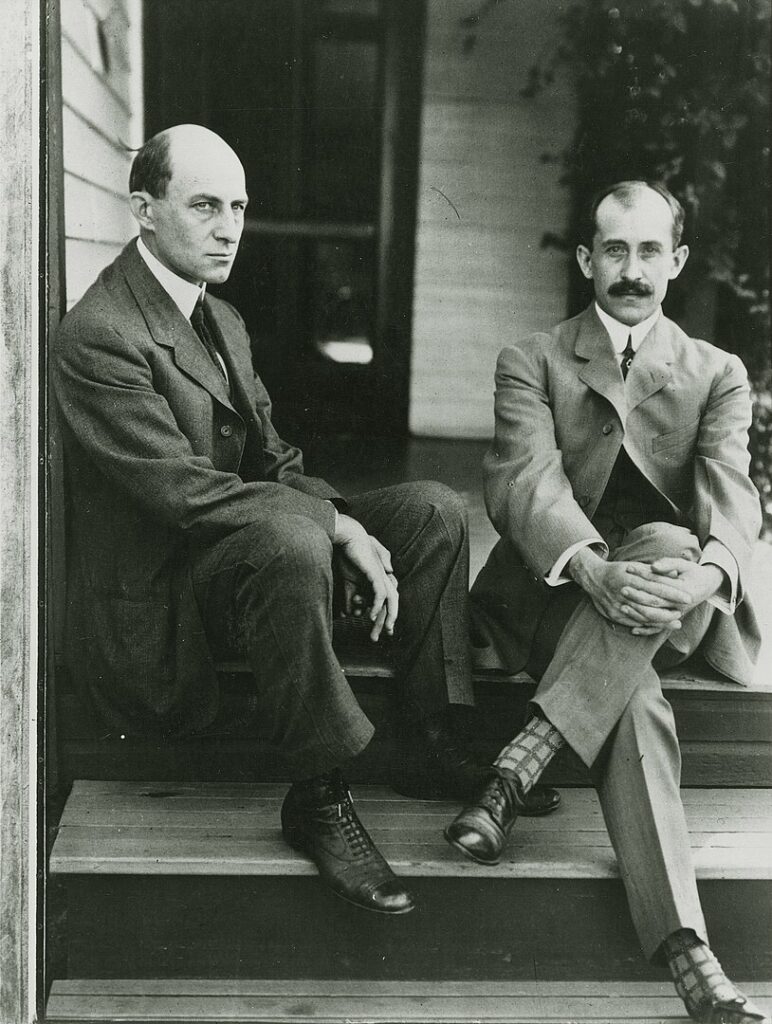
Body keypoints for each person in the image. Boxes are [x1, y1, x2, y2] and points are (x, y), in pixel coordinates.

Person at [52, 124, 557, 919]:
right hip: (165, 605)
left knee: (431, 509)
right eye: (205, 205)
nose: (229, 228)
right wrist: (334, 526)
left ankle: (427, 740)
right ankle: (318, 795)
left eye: (240, 207)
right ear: (143, 210)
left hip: (236, 558)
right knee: (294, 534)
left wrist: (343, 519)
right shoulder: (100, 336)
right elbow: (183, 493)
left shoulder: (220, 318)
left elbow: (273, 462)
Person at [446, 181, 767, 1023]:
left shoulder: (717, 372)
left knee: (670, 546)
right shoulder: (534, 358)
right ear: (588, 259)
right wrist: (592, 570)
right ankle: (688, 950)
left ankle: (522, 761)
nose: (632, 270)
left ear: (678, 261)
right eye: (614, 251)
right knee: (640, 704)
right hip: (561, 593)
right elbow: (522, 483)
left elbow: (732, 493)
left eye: (650, 250)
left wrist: (708, 574)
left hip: (670, 598)